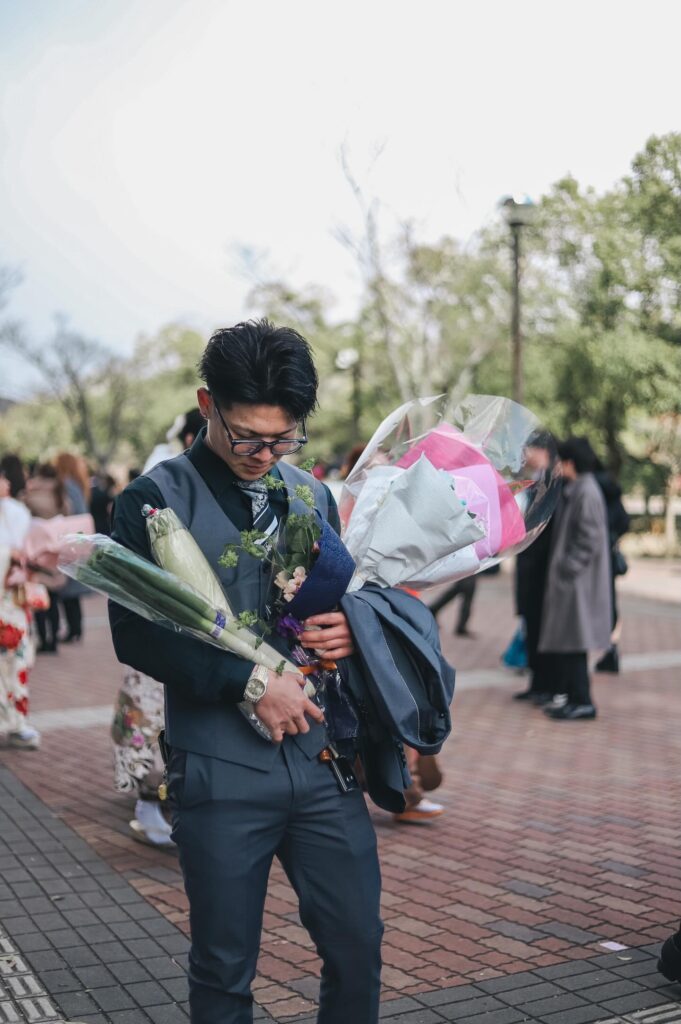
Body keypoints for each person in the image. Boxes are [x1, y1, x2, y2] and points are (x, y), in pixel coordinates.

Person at [109, 320, 382, 1024]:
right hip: (219, 767)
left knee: (358, 946)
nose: (265, 455)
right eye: (247, 438)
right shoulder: (149, 500)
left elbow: (340, 595)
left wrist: (350, 629)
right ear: (208, 405)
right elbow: (134, 634)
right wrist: (249, 684)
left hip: (322, 762)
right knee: (224, 968)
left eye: (283, 439)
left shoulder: (313, 495)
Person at [112, 407, 205, 849]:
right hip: (160, 616)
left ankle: (175, 798)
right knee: (148, 709)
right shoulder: (159, 480)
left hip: (203, 624)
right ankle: (148, 800)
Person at [539, 437, 612, 721]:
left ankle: (582, 701)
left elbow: (589, 538)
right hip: (573, 582)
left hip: (578, 583)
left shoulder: (586, 492)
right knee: (570, 643)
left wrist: (567, 567)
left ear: (570, 463)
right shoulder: (580, 488)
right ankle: (573, 698)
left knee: (575, 644)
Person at [0, 467, 40, 749]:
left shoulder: (16, 510)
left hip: (13, 601)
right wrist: (9, 556)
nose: (4, 483)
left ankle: (16, 722)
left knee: (18, 662)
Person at [22, 464, 69, 653]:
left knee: (40, 596)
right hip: (56, 549)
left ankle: (43, 639)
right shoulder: (60, 493)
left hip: (38, 550)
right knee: (54, 599)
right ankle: (54, 639)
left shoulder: (31, 495)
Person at [54, 452, 90, 642]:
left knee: (67, 588)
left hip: (69, 539)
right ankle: (76, 628)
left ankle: (73, 629)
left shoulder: (66, 484)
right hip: (79, 538)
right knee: (73, 589)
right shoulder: (79, 484)